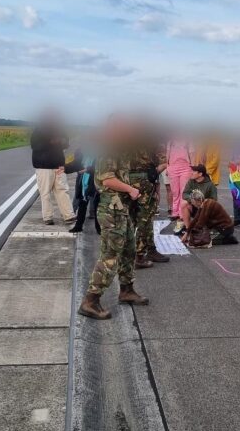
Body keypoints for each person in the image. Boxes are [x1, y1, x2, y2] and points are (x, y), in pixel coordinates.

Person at [78, 115, 149, 320]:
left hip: (121, 207)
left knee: (128, 248)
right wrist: (131, 190)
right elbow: (107, 179)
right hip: (111, 208)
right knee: (110, 253)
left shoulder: (120, 147)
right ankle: (90, 301)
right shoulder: (108, 148)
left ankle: (127, 290)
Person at [130, 130, 169, 268]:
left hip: (127, 182)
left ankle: (147, 250)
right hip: (145, 182)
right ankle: (139, 256)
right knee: (145, 219)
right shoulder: (156, 138)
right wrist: (154, 174)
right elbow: (164, 163)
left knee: (133, 219)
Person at [30, 111, 76, 225]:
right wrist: (51, 142)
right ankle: (47, 217)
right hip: (43, 166)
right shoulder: (38, 130)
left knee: (63, 190)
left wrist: (61, 141)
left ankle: (68, 215)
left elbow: (66, 142)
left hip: (59, 165)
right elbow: (34, 146)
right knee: (45, 192)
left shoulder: (60, 129)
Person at [178, 164, 217, 233]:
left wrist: (203, 202)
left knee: (203, 229)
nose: (191, 172)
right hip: (194, 208)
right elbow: (185, 194)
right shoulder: (191, 181)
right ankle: (188, 229)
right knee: (184, 204)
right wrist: (192, 200)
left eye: (194, 171)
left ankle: (208, 225)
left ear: (200, 174)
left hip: (205, 210)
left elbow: (214, 200)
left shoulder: (210, 185)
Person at [165, 136, 194, 220]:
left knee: (183, 191)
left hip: (185, 168)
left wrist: (192, 168)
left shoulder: (188, 140)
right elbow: (167, 155)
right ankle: (175, 212)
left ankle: (182, 213)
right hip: (173, 167)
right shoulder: (170, 141)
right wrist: (168, 167)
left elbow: (192, 154)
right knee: (175, 192)